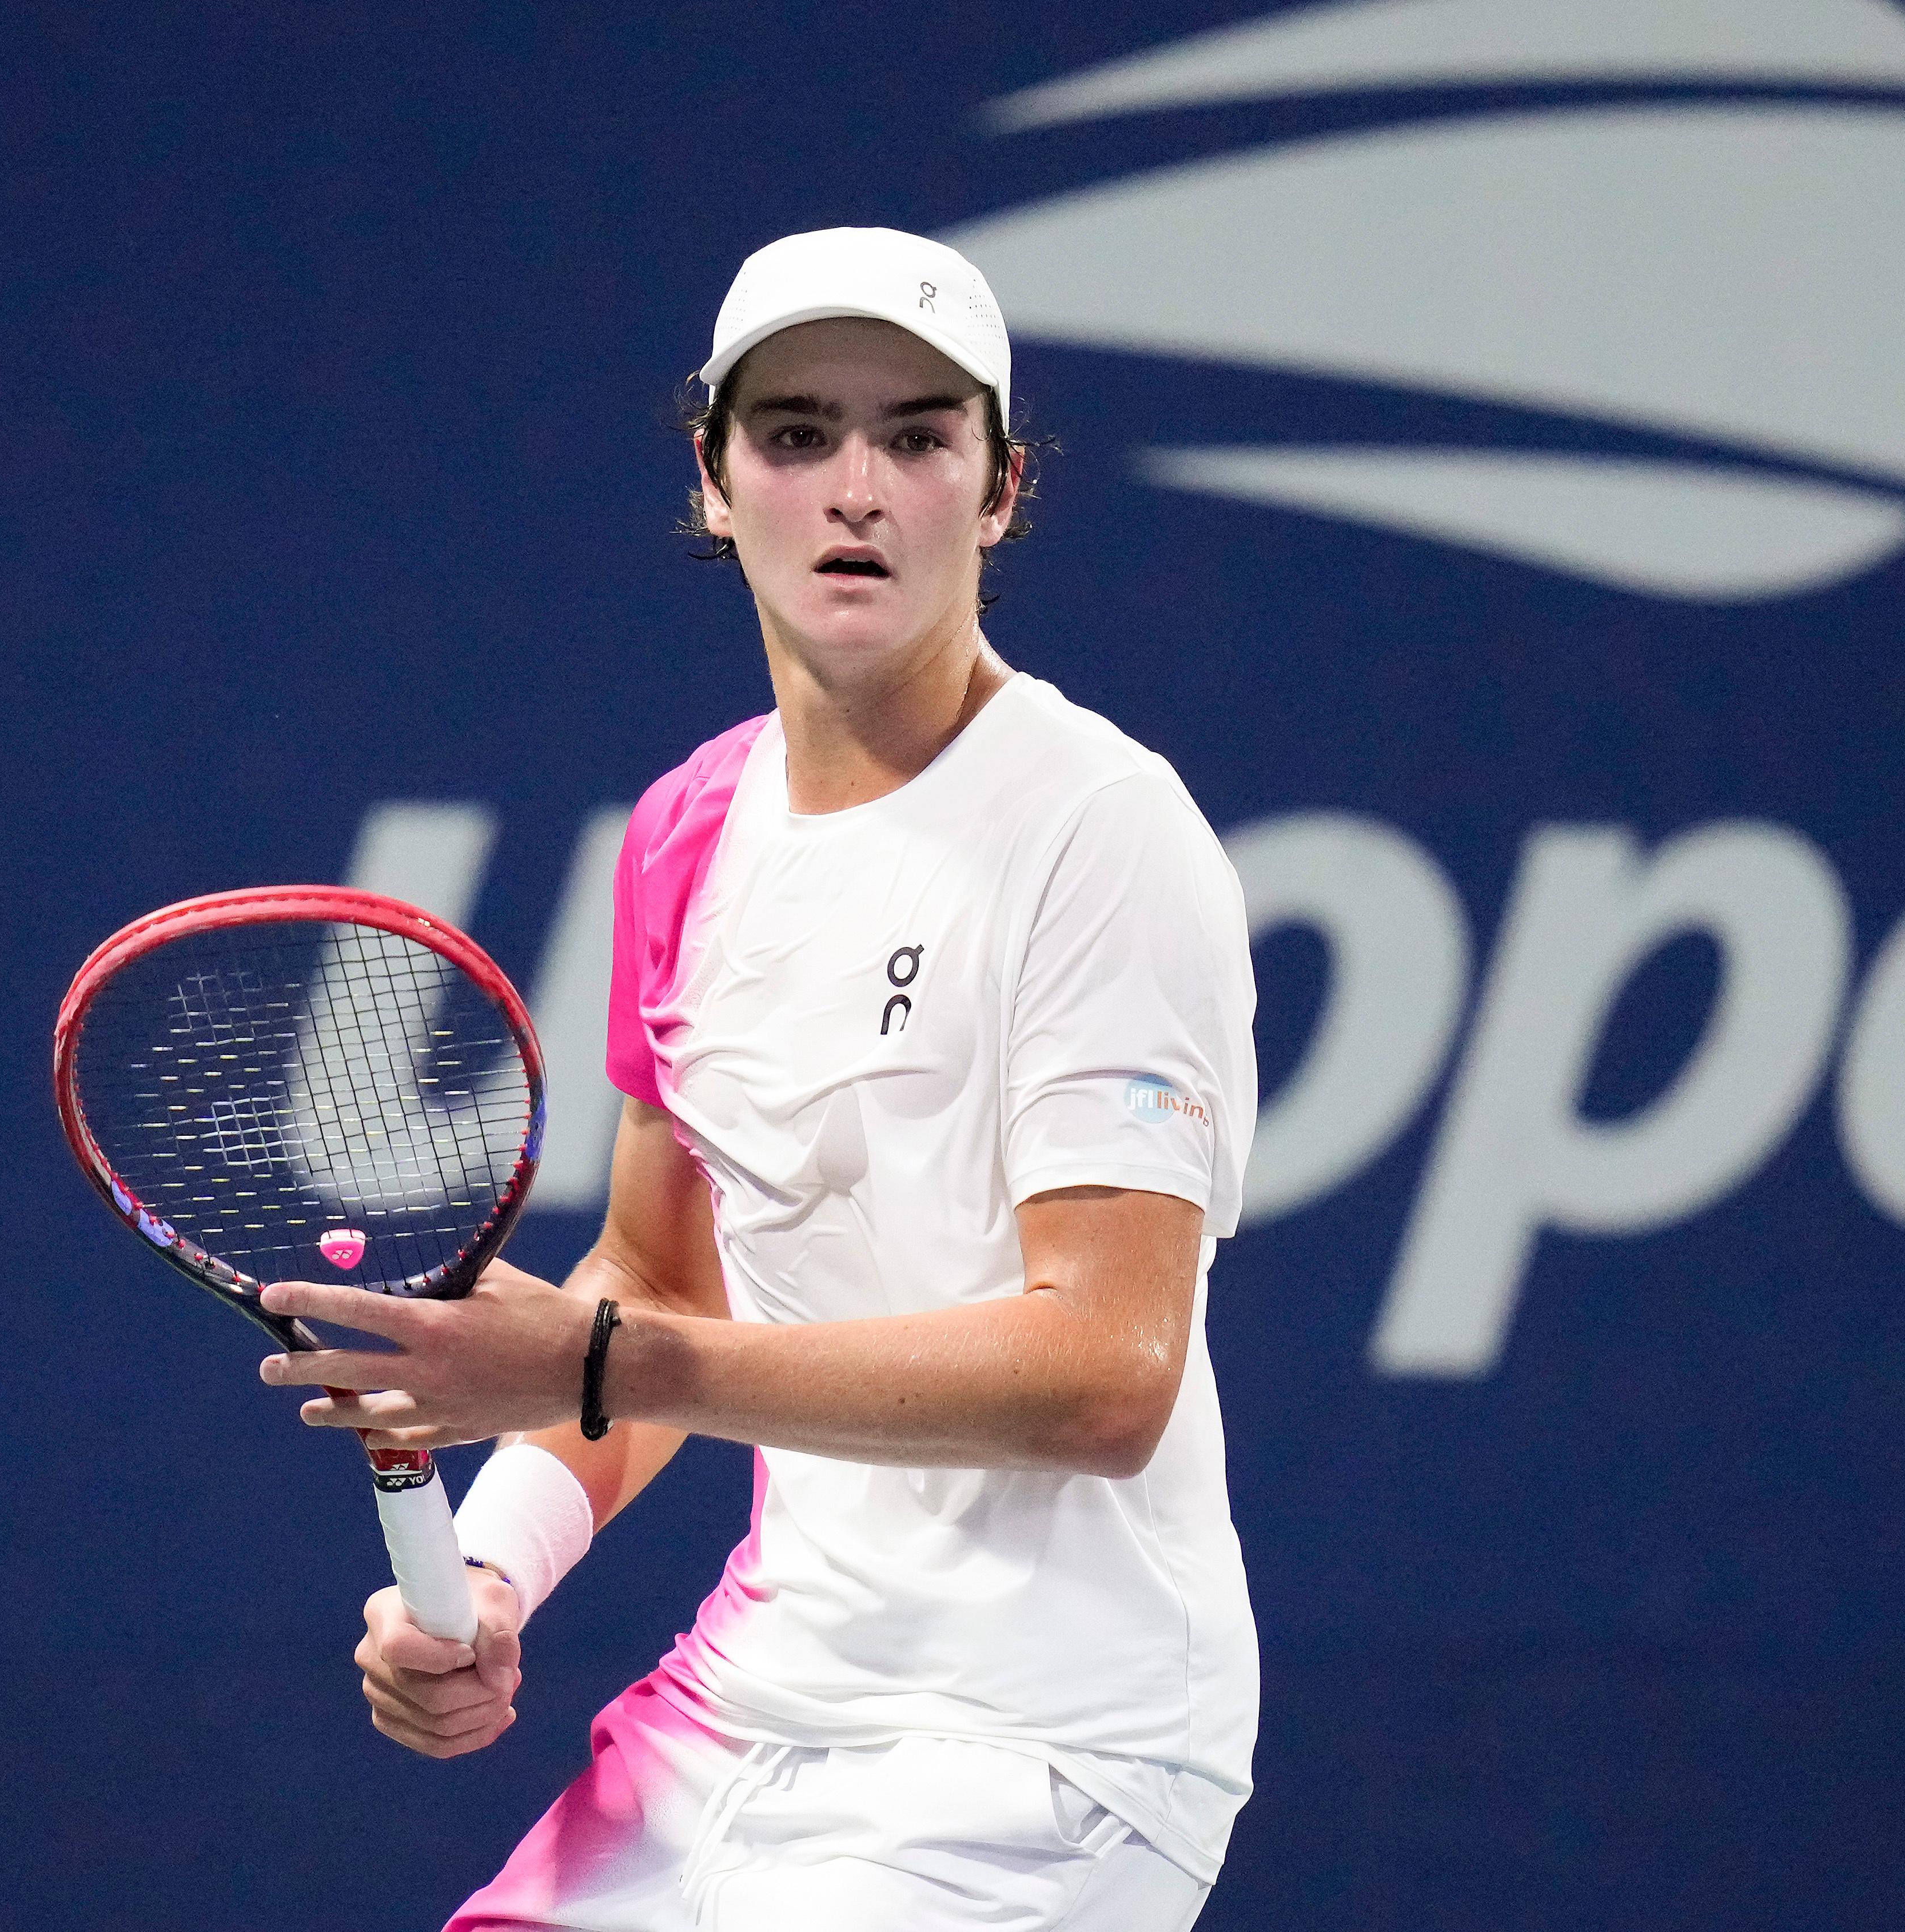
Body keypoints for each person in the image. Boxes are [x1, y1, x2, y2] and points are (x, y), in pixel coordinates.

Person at [256, 226, 1259, 1932]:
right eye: (795, 436)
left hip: (1048, 1755)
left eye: (917, 437)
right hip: (755, 1703)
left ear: (1000, 488)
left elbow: (1104, 1373)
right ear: (715, 481)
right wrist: (495, 1572)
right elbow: (655, 1286)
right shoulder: (688, 833)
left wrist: (584, 1357)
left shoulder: (1105, 831)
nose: (854, 488)